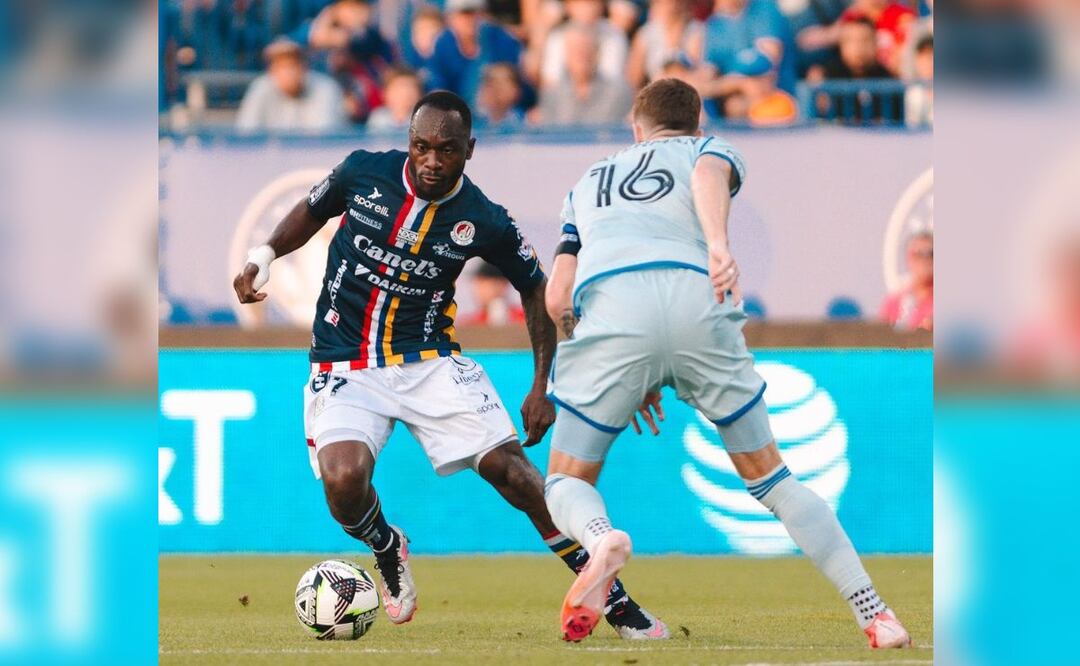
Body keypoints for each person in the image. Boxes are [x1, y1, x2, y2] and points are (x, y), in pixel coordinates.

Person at [232, 91, 666, 639]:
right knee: (343, 483)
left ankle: (614, 599)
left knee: (518, 477)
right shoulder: (363, 173)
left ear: (470, 150)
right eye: (421, 147)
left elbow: (535, 287)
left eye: (447, 149)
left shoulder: (483, 218)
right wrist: (264, 255)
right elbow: (312, 209)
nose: (432, 161)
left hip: (430, 361)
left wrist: (541, 384)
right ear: (408, 142)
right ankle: (387, 547)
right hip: (345, 362)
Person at [541, 79, 911, 649]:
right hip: (699, 297)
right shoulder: (708, 147)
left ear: (635, 128)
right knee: (774, 480)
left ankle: (600, 538)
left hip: (611, 311)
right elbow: (707, 176)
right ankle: (876, 614)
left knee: (565, 479)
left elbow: (558, 297)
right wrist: (717, 244)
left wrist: (613, 359)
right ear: (695, 121)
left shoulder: (586, 182)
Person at [235, 38, 348, 133]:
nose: (289, 72)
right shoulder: (260, 88)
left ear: (305, 67)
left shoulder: (326, 87)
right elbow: (246, 133)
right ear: (271, 70)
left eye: (294, 65)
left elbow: (326, 138)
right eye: (282, 66)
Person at [428, 0, 524, 107]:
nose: (472, 19)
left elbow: (518, 84)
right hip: (458, 112)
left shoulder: (501, 40)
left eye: (477, 13)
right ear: (450, 17)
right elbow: (437, 86)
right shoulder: (443, 44)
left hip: (502, 113)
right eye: (465, 13)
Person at [538, 24, 633, 125]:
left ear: (597, 53)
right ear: (566, 54)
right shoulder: (552, 93)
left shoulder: (619, 92)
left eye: (586, 49)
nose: (581, 56)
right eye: (575, 50)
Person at [625, 0, 704, 89]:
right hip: (656, 96)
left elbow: (693, 72)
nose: (670, 6)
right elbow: (633, 81)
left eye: (674, 2)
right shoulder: (646, 33)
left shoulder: (697, 31)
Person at [880, 230, 933, 331]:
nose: (925, 259)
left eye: (931, 254)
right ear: (909, 258)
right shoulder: (895, 302)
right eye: (919, 254)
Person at [461, 261, 526, 325]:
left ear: (502, 284)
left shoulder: (524, 318)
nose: (477, 289)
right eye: (477, 282)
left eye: (483, 282)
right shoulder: (469, 323)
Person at [475, 63, 527, 127]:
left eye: (499, 86)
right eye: (488, 85)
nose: (493, 92)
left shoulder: (526, 122)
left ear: (516, 91)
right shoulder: (475, 124)